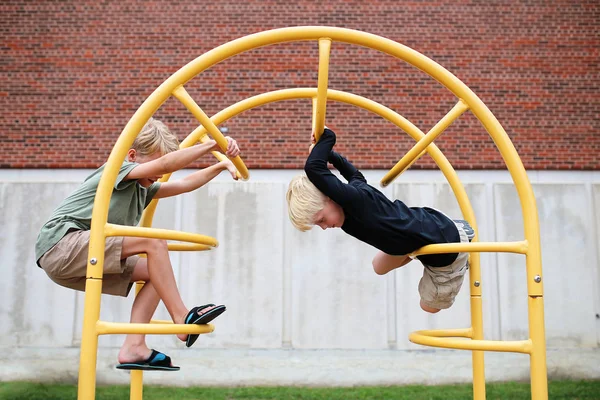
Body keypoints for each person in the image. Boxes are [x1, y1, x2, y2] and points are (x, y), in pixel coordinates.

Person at [35, 118, 241, 371]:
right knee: (153, 241)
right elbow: (166, 164)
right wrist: (211, 145)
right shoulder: (116, 170)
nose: (159, 173)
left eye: (160, 169)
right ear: (132, 155)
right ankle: (181, 315)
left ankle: (134, 347)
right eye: (154, 165)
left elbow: (183, 184)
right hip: (62, 244)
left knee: (155, 271)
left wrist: (219, 166)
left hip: (84, 255)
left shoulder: (143, 189)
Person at [286, 127, 474, 313]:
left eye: (321, 220)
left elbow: (313, 168)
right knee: (379, 267)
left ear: (330, 197)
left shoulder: (354, 200)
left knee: (429, 307)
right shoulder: (353, 199)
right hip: (419, 227)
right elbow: (354, 175)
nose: (325, 227)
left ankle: (460, 237)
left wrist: (326, 139)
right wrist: (332, 156)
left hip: (445, 245)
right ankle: (416, 247)